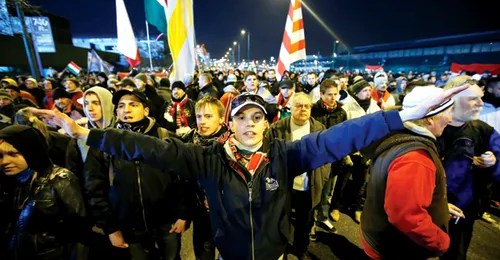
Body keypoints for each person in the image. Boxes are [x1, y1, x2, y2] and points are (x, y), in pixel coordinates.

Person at [33, 85, 468, 260]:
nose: (250, 125)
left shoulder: (285, 154)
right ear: (231, 122)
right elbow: (149, 148)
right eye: (241, 117)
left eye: (257, 117)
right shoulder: (204, 158)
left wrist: (396, 117)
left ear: (265, 122)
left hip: (274, 254)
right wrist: (84, 133)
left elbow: (340, 138)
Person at [361, 86, 464, 260]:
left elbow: (402, 196)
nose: (450, 118)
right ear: (430, 117)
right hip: (396, 248)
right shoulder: (416, 159)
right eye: (448, 112)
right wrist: (441, 242)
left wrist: (437, 206)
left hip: (381, 235)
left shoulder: (400, 134)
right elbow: (406, 215)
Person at [83, 89, 187, 260]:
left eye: (133, 105)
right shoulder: (104, 143)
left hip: (166, 223)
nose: (127, 110)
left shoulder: (165, 138)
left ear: (146, 110)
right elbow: (93, 188)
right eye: (121, 106)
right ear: (116, 112)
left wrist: (183, 215)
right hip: (128, 227)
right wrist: (110, 228)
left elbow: (182, 179)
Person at [0, 125, 87, 260]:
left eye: (13, 154)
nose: (5, 161)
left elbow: (80, 236)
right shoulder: (11, 183)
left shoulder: (61, 180)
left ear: (31, 151)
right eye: (0, 156)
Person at [438, 76, 500, 260]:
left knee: (455, 255)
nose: (480, 104)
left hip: (462, 213)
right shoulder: (432, 126)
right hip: (425, 208)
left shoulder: (484, 131)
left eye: (481, 97)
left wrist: (494, 162)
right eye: (473, 98)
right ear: (452, 99)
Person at [266, 93, 331, 260]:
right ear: (290, 107)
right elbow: (267, 156)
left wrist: (322, 177)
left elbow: (327, 158)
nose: (303, 109)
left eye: (307, 106)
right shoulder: (277, 129)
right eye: (298, 105)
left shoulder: (319, 129)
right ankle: (282, 249)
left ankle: (302, 249)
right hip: (284, 186)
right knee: (281, 220)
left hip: (309, 186)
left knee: (305, 222)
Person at [181, 96, 231, 260]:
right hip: (200, 212)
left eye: (208, 116)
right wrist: (185, 214)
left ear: (221, 119)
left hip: (228, 213)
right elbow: (183, 181)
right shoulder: (188, 141)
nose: (202, 121)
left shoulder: (232, 143)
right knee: (203, 253)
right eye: (199, 116)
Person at [337, 77, 381, 223]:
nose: (368, 93)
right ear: (356, 92)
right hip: (349, 149)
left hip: (366, 150)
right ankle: (336, 206)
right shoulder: (346, 106)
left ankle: (356, 207)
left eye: (369, 90)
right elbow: (342, 129)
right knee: (342, 179)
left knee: (361, 180)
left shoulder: (374, 106)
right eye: (364, 91)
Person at [310, 79, 349, 232]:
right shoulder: (313, 110)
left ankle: (323, 217)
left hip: (334, 157)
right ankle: (311, 222)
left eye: (335, 94)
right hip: (316, 157)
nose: (333, 98)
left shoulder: (341, 112)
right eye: (329, 95)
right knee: (314, 191)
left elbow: (344, 133)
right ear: (321, 94)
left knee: (328, 190)